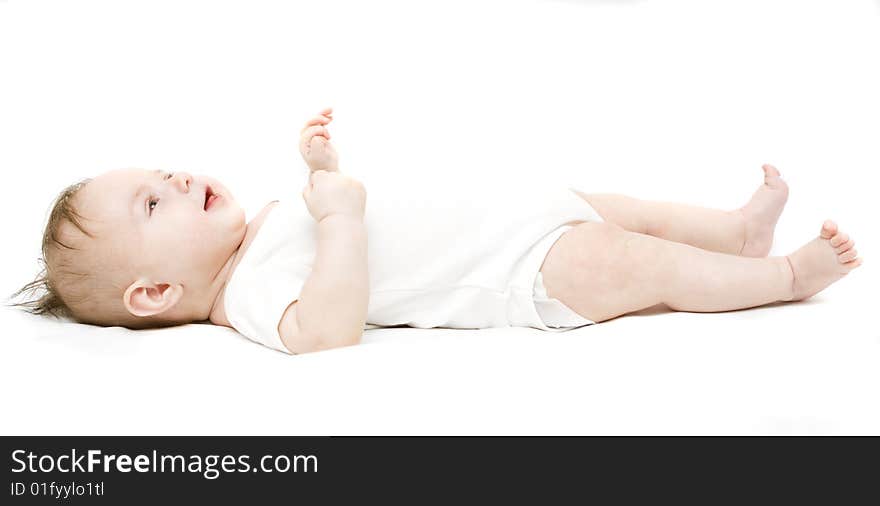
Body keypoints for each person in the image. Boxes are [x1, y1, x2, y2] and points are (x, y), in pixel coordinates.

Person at [9, 108, 862, 354]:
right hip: (525, 273)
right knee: (632, 257)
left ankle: (732, 233)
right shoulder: (246, 295)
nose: (176, 179)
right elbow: (327, 328)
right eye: (152, 205)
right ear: (155, 292)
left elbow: (339, 213)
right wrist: (337, 215)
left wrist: (319, 171)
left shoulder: (259, 227)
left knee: (620, 205)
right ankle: (780, 278)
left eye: (162, 171)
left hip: (517, 214)